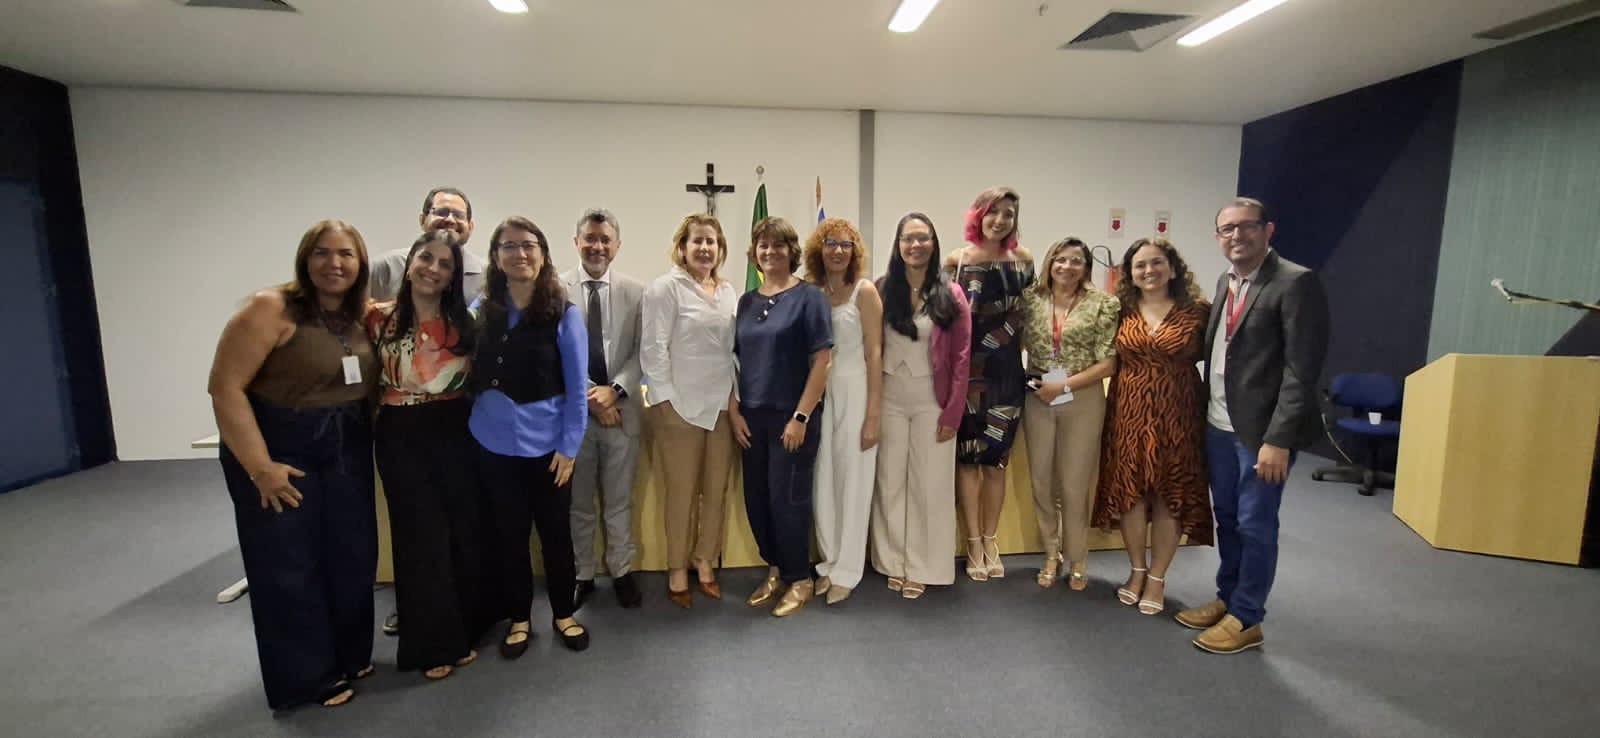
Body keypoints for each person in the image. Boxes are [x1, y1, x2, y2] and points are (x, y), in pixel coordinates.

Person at [207, 220, 378, 710]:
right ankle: (307, 678)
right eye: (322, 253)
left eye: (345, 254)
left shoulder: (359, 315)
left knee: (351, 555)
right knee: (288, 565)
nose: (334, 264)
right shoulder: (269, 309)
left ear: (360, 263)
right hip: (280, 448)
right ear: (305, 259)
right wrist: (259, 467)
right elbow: (225, 388)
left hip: (345, 446)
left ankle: (348, 655)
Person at [1178, 198, 1329, 654]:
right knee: (1227, 518)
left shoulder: (1295, 282)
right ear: (1217, 237)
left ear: (1268, 230)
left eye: (1246, 226)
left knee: (1255, 524)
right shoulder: (1226, 281)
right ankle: (1228, 598)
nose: (1236, 236)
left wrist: (1278, 440)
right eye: (1227, 229)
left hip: (1261, 435)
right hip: (1218, 424)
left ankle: (1247, 617)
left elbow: (1301, 370)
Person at [364, 229, 493, 681]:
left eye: (444, 264)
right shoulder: (376, 319)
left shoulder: (466, 325)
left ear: (454, 276)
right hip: (401, 434)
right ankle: (431, 646)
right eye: (426, 258)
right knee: (420, 538)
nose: (433, 269)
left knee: (461, 532)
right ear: (410, 263)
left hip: (456, 429)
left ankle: (464, 629)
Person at [469, 216, 591, 657]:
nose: (519, 253)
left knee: (556, 536)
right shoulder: (481, 308)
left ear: (542, 254)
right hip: (492, 445)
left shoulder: (565, 313)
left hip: (549, 450)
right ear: (495, 256)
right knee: (509, 537)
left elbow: (577, 390)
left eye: (528, 245)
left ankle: (563, 614)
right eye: (509, 246)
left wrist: (569, 448)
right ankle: (519, 617)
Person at [1093, 238, 1213, 617]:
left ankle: (1158, 577)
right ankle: (1137, 570)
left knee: (1169, 493)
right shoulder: (1120, 311)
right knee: (1130, 493)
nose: (1149, 271)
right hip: (1128, 412)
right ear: (1130, 274)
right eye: (1140, 265)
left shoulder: (1198, 312)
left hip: (1178, 414)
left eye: (1157, 262)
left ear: (1173, 268)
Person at [732, 216, 833, 617]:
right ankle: (775, 569)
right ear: (754, 252)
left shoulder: (810, 297)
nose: (770, 251)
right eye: (763, 245)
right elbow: (734, 362)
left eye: (778, 245)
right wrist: (734, 411)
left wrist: (801, 417)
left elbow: (823, 360)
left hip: (793, 417)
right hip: (751, 417)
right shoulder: (746, 301)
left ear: (792, 251)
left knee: (787, 499)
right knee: (757, 500)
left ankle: (800, 578)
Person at [641, 213, 740, 608]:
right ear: (682, 247)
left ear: (720, 249)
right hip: (679, 408)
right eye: (697, 240)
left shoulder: (729, 292)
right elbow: (653, 349)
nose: (704, 248)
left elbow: (734, 351)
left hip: (721, 408)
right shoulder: (665, 289)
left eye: (711, 241)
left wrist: (736, 399)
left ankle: (704, 560)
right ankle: (677, 568)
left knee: (715, 491)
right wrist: (664, 402)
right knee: (681, 493)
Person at [870, 213, 971, 600]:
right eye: (908, 238)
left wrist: (953, 413)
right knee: (890, 481)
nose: (915, 245)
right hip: (890, 396)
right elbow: (870, 346)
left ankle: (923, 565)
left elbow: (962, 358)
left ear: (933, 243)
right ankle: (892, 561)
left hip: (933, 399)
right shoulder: (882, 289)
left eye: (923, 238)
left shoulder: (952, 294)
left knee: (929, 485)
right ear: (898, 245)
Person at [944, 187, 1034, 580]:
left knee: (996, 463)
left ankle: (991, 539)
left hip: (1007, 372)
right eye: (992, 212)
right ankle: (972, 543)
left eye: (1008, 214)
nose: (999, 220)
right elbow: (944, 319)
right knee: (968, 461)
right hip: (967, 373)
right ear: (977, 215)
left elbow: (1031, 317)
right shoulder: (956, 261)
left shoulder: (1024, 260)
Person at [1020, 237, 1119, 590]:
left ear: (1086, 267)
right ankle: (1051, 553)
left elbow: (1109, 363)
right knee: (1041, 481)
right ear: (1049, 262)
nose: (1067, 267)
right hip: (1039, 396)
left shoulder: (1103, 304)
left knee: (1074, 484)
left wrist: (1063, 386)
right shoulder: (1030, 300)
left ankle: (1078, 557)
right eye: (1060, 259)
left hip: (1081, 396)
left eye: (1076, 261)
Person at [561, 209, 645, 610]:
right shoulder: (555, 290)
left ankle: (621, 570)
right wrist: (592, 398)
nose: (597, 246)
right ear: (576, 242)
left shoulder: (637, 292)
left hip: (623, 413)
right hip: (574, 418)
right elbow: (555, 352)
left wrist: (615, 391)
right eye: (590, 238)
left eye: (605, 240)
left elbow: (642, 351)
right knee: (579, 504)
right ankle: (582, 573)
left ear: (617, 246)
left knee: (618, 501)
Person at [803, 218, 883, 605]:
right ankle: (829, 562)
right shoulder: (811, 292)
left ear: (855, 252)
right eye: (831, 243)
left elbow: (875, 354)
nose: (838, 250)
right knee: (823, 482)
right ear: (819, 249)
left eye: (845, 245)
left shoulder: (864, 292)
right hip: (820, 394)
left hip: (856, 391)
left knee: (854, 483)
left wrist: (873, 415)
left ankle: (848, 571)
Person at [370, 187, 486, 301]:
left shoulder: (486, 276)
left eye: (459, 215)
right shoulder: (387, 267)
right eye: (441, 212)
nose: (450, 220)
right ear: (422, 220)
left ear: (470, 227)